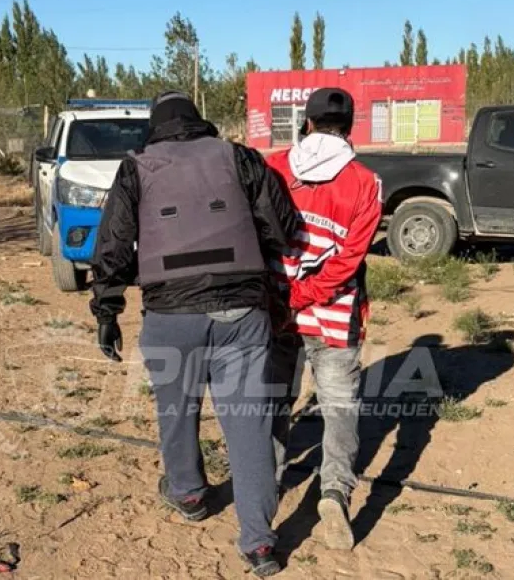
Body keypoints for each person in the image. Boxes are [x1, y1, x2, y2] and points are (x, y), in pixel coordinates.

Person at [89, 91, 298, 577]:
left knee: (177, 410)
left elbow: (114, 247)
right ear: (197, 120)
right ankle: (260, 544)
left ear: (155, 125)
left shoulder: (136, 167)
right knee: (248, 424)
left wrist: (107, 311)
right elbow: (281, 227)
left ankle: (188, 494)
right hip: (242, 312)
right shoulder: (239, 156)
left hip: (170, 315)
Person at [266, 87, 383, 551]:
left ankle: (267, 483)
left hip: (278, 312)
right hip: (335, 318)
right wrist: (311, 293)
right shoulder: (365, 182)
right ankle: (334, 492)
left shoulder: (274, 166)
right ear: (349, 127)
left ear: (307, 123)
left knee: (275, 401)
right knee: (339, 410)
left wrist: (288, 295)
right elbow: (350, 259)